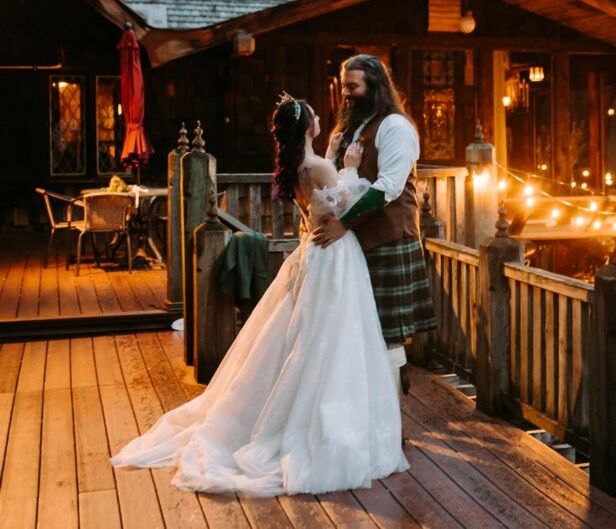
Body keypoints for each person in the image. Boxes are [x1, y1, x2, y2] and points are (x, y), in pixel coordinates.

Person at [111, 94, 408, 496]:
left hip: (310, 255)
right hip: (334, 257)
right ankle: (320, 423)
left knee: (304, 335)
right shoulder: (320, 166)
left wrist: (339, 164)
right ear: (306, 127)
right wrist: (352, 168)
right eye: (315, 114)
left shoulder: (299, 168)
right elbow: (348, 204)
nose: (321, 115)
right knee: (333, 337)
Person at [312, 54, 437, 397]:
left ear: (375, 85)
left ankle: (391, 417)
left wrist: (344, 224)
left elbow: (388, 188)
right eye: (344, 87)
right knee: (358, 330)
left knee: (387, 332)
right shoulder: (348, 129)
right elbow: (334, 182)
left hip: (389, 240)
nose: (346, 94)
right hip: (354, 246)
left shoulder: (395, 126)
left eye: (353, 86)